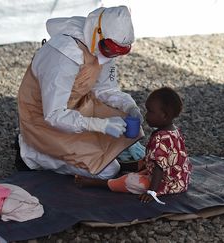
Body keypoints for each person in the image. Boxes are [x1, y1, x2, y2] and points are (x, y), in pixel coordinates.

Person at [16, 6, 144, 179]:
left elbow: (105, 89)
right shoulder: (64, 55)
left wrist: (130, 106)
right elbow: (54, 114)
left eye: (119, 52)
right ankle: (32, 154)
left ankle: (84, 150)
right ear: (97, 34)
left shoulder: (100, 45)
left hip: (76, 107)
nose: (112, 55)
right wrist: (101, 125)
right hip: (43, 121)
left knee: (125, 118)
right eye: (110, 49)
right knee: (108, 170)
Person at [74, 87, 192, 203]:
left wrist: (151, 192)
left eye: (150, 111)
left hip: (167, 184)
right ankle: (124, 168)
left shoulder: (160, 138)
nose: (146, 116)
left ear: (164, 116)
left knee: (130, 180)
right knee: (143, 165)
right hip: (181, 179)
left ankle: (96, 183)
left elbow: (159, 168)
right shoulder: (174, 131)